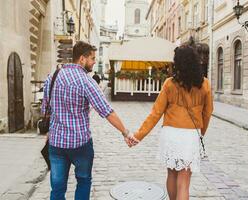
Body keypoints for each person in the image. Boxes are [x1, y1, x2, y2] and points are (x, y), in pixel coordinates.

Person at [41, 41, 137, 200]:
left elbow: (46, 109)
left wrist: (51, 130)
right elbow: (106, 111)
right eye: (92, 58)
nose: (94, 62)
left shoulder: (52, 77)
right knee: (84, 181)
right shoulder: (86, 81)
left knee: (57, 189)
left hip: (56, 144)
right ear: (82, 59)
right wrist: (125, 132)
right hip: (80, 144)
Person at [131, 42, 213, 200]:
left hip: (171, 134)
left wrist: (138, 135)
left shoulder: (169, 83)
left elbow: (155, 113)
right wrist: (201, 133)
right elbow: (208, 112)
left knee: (172, 175)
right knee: (184, 181)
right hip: (190, 136)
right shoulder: (205, 84)